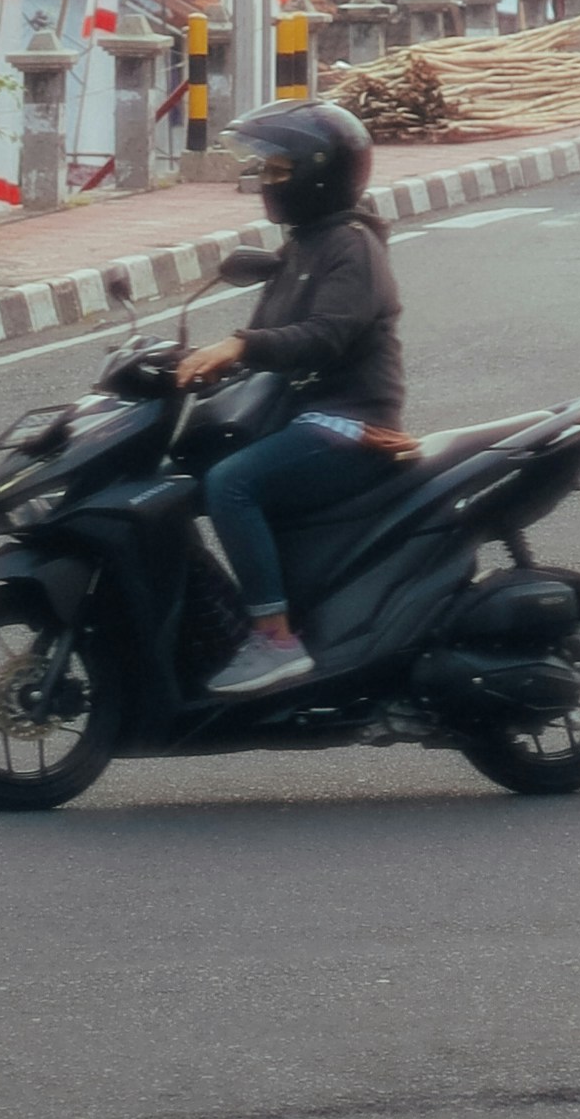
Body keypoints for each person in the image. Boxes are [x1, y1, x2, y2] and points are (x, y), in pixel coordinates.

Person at [176, 100, 413, 698]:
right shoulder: (303, 245)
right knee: (181, 472)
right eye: (265, 168)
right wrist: (200, 366)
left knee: (232, 483)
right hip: (304, 414)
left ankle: (275, 638)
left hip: (351, 420)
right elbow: (269, 344)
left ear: (318, 173)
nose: (265, 181)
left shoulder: (353, 246)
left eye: (278, 170)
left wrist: (239, 345)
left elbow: (325, 335)